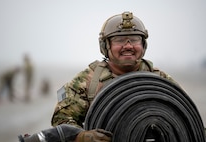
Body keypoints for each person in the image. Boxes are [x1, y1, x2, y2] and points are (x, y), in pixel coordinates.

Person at [49, 11, 178, 142]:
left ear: (143, 45)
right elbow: (61, 120)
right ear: (106, 46)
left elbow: (184, 119)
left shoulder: (161, 81)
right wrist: (82, 137)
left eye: (134, 40)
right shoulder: (87, 81)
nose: (128, 46)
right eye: (119, 40)